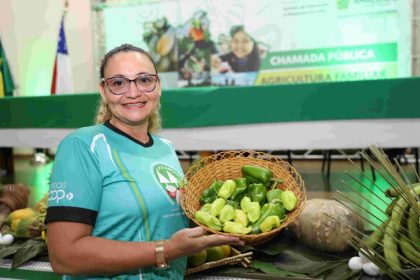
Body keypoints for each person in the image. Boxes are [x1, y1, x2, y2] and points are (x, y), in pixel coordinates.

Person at [45, 43, 243, 279]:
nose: (133, 92)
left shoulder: (165, 148)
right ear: (104, 90)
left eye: (144, 80)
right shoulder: (83, 145)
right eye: (118, 83)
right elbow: (64, 256)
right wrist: (166, 251)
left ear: (158, 86)